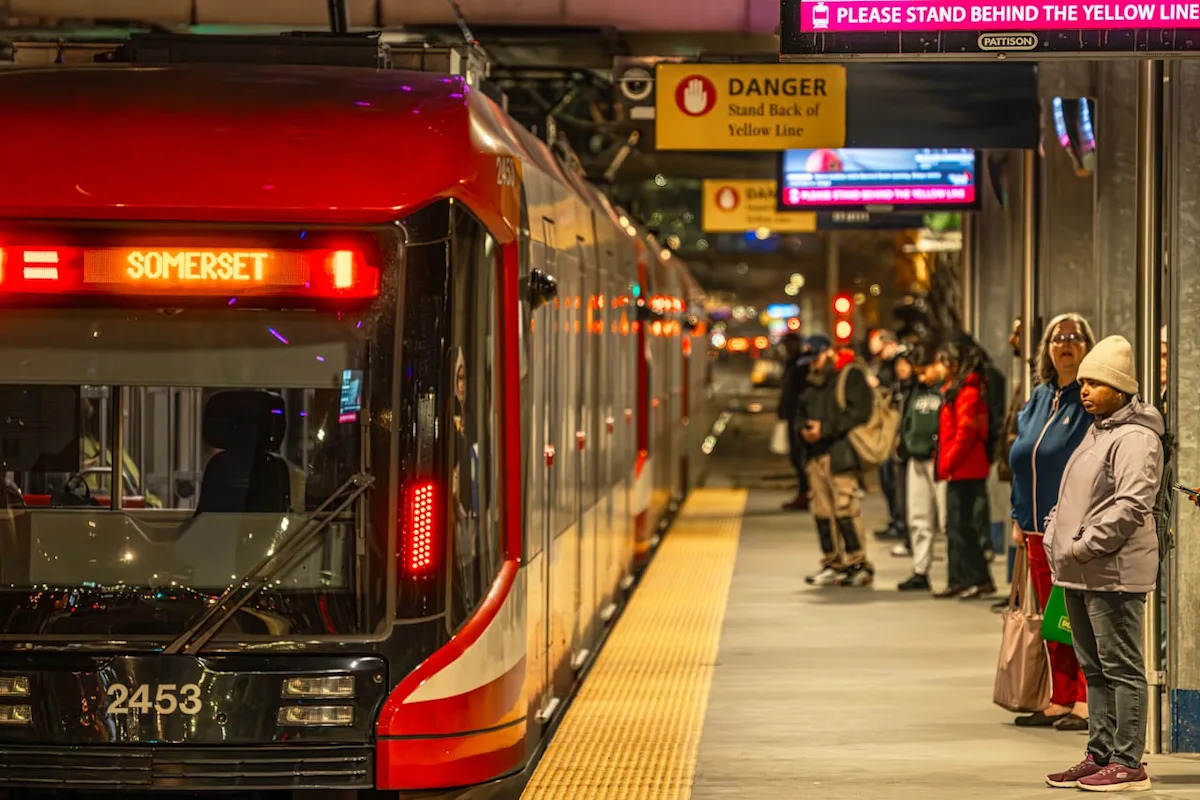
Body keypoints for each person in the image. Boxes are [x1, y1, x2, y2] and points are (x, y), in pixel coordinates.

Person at [1043, 335, 1163, 793]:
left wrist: (1081, 545)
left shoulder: (1135, 437)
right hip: (1080, 569)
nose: (1085, 389)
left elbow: (1131, 506)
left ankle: (1128, 762)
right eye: (1084, 382)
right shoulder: (1100, 431)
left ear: (1120, 388)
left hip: (1111, 572)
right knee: (1094, 668)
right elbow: (1075, 496)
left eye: (1096, 383)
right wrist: (1057, 533)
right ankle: (1100, 753)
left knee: (1121, 668)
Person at [1009, 312, 1096, 730]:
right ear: (1047, 348)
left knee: (1075, 616)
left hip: (1072, 529)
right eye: (1058, 338)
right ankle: (1060, 696)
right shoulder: (1041, 397)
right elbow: (1021, 457)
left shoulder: (1091, 399)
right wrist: (1016, 514)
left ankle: (1083, 697)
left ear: (1087, 347)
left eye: (1075, 338)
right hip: (1033, 527)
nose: (1066, 344)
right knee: (1050, 616)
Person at [797, 334, 876, 587]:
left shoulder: (850, 376)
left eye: (816, 359)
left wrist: (826, 429)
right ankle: (832, 562)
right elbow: (798, 412)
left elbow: (859, 412)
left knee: (845, 508)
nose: (813, 365)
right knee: (822, 512)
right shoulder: (811, 383)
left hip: (840, 454)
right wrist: (804, 430)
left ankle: (857, 562)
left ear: (829, 353)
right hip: (816, 456)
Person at [934, 335, 995, 599]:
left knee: (965, 526)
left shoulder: (968, 392)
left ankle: (976, 578)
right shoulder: (955, 389)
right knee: (956, 526)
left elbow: (965, 433)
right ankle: (958, 577)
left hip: (965, 468)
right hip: (958, 467)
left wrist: (948, 461)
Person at [897, 344, 945, 591]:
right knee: (918, 517)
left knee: (946, 519)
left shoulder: (945, 391)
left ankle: (955, 572)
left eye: (925, 370)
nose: (921, 375)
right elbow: (907, 421)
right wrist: (906, 444)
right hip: (916, 459)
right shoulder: (915, 390)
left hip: (939, 460)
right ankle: (920, 569)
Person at [869, 330, 906, 542]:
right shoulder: (885, 366)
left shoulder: (897, 365)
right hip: (886, 429)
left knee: (893, 477)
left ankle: (900, 520)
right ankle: (895, 518)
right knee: (886, 477)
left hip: (895, 431)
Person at [778, 333, 811, 511]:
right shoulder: (792, 363)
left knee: (801, 456)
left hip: (799, 416)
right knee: (796, 456)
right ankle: (804, 492)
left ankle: (806, 493)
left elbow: (799, 391)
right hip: (792, 415)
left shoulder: (802, 364)